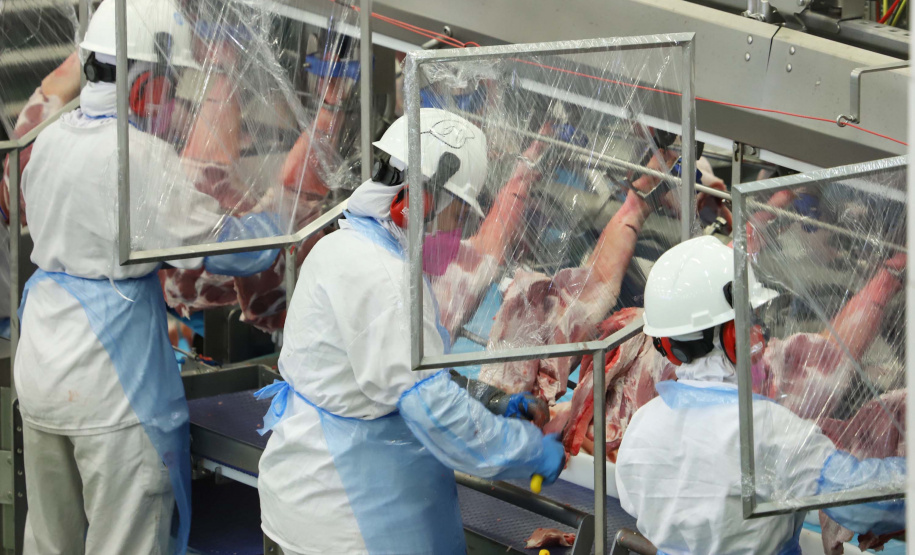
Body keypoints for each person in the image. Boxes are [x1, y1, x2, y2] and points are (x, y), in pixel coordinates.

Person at [14, 1, 278, 553]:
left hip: (41, 370)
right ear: (145, 84)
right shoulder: (139, 157)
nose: (173, 102)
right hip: (110, 389)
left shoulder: (50, 140)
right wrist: (280, 225)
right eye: (169, 85)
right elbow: (228, 254)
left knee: (50, 543)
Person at [255, 108, 565, 555]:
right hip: (348, 519)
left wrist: (488, 398)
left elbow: (397, 371)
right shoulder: (384, 277)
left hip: (307, 492)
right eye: (458, 211)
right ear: (419, 200)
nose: (459, 230)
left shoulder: (345, 243)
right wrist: (529, 451)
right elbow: (433, 408)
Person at [615, 236, 905, 555]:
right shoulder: (767, 428)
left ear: (666, 346)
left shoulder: (642, 424)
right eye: (750, 318)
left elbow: (633, 501)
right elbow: (861, 502)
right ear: (733, 334)